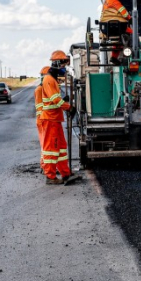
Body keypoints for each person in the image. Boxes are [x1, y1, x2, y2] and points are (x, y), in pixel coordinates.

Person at [35, 50, 80, 185]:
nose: (64, 68)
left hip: (55, 119)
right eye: (63, 65)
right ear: (58, 64)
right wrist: (69, 107)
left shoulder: (52, 80)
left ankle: (66, 173)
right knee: (51, 149)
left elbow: (56, 99)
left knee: (61, 147)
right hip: (49, 120)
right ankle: (50, 176)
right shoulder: (49, 80)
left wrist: (65, 104)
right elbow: (55, 100)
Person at [100, 0, 132, 65]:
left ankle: (114, 57)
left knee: (118, 41)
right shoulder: (115, 2)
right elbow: (124, 13)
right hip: (117, 26)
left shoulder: (107, 0)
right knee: (132, 32)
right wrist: (130, 18)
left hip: (107, 27)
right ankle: (134, 50)